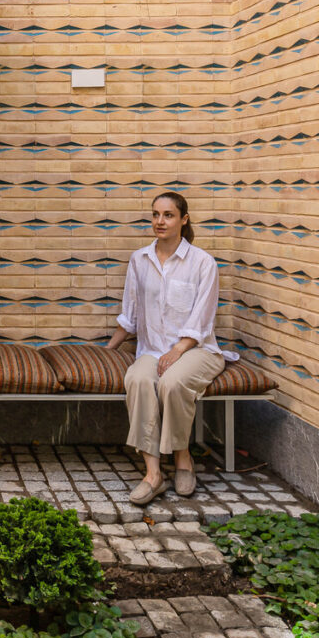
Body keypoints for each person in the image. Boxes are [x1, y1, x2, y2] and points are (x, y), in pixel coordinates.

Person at [105, 191, 233, 504]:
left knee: (173, 382)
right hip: (152, 349)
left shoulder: (202, 263)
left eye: (168, 215)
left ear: (183, 219)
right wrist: (108, 349)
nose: (160, 222)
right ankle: (153, 475)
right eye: (155, 215)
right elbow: (131, 314)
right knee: (138, 379)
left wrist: (177, 351)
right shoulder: (140, 259)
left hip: (197, 350)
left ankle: (182, 458)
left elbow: (203, 318)